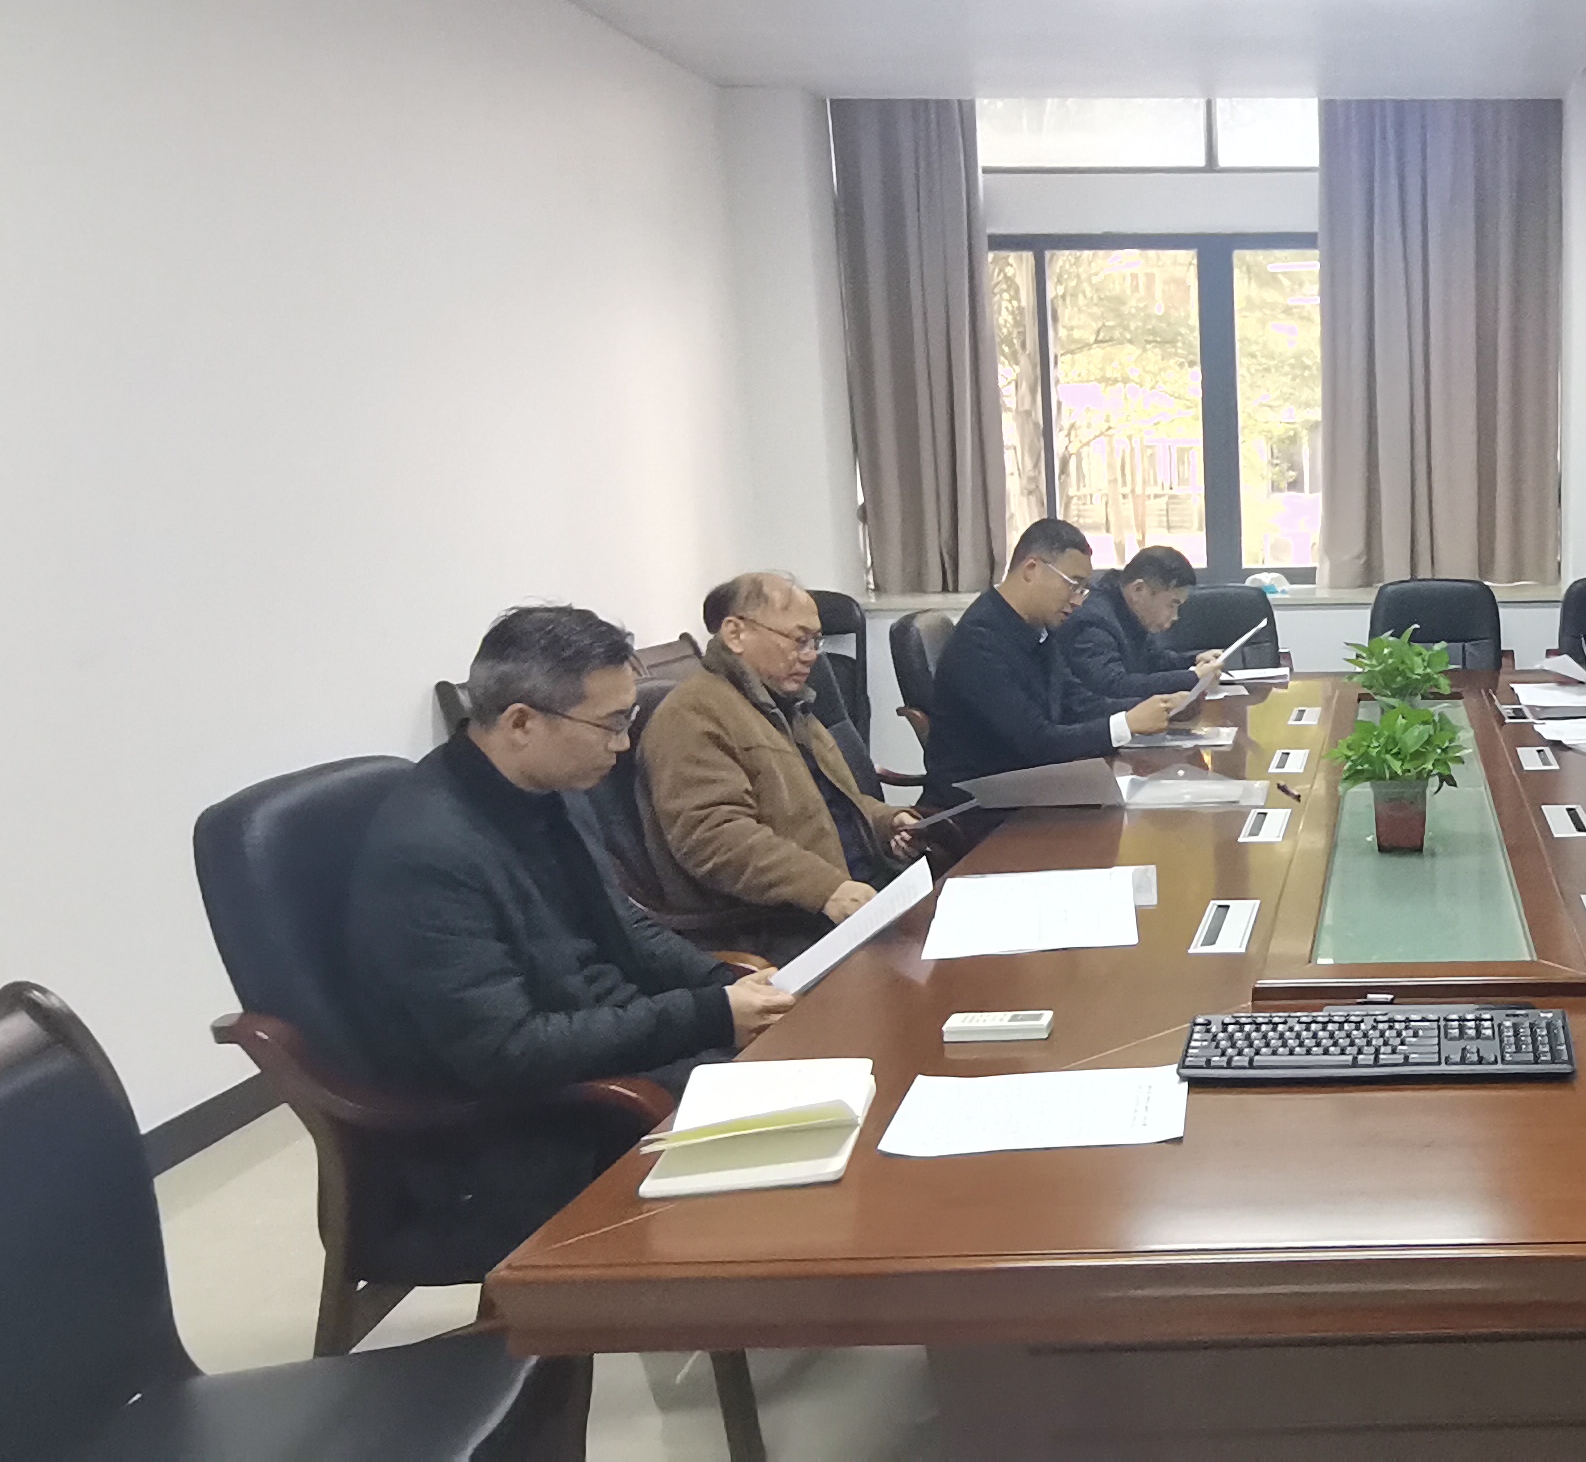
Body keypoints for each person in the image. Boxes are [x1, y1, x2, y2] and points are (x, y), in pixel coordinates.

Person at [346, 605, 795, 1281]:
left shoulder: (551, 788)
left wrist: (721, 988)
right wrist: (708, 1016)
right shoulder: (430, 854)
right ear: (521, 722)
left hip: (606, 1059)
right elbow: (510, 1051)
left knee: (806, 1070)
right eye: (611, 724)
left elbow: (625, 926)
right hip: (515, 1131)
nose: (624, 745)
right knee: (785, 1135)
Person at [636, 572, 923, 963]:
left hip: (862, 896)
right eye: (799, 640)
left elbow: (833, 803)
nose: (811, 655)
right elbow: (715, 838)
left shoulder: (787, 705)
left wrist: (889, 821)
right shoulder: (693, 715)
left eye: (815, 641)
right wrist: (826, 889)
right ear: (736, 634)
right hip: (788, 925)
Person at [923, 519, 1189, 807]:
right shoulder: (980, 640)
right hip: (983, 807)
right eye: (1073, 585)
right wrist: (1125, 724)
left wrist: (1155, 708)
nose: (1078, 601)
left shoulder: (1035, 627)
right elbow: (1037, 741)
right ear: (1031, 569)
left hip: (1029, 788)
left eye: (1084, 589)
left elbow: (1077, 702)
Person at [1062, 545, 1225, 701]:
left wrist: (1193, 660)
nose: (1175, 616)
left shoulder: (1127, 609)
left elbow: (1154, 660)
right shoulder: (1093, 622)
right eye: (1172, 604)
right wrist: (1192, 678)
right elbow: (1113, 686)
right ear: (1138, 590)